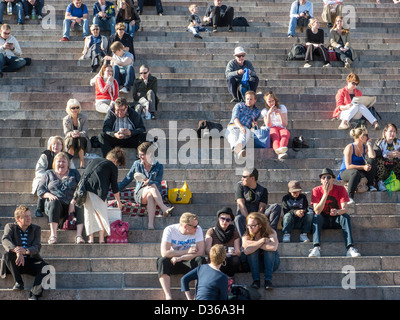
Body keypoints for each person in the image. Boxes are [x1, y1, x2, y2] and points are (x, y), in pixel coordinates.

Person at [118, 141, 174, 230]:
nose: (140, 157)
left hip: (153, 192)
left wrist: (149, 181)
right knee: (152, 187)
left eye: (142, 154)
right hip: (140, 193)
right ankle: (164, 208)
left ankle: (150, 225)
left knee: (150, 194)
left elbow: (158, 182)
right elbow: (128, 178)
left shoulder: (158, 166)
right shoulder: (137, 164)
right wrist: (116, 189)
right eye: (139, 154)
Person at [308, 168, 361, 257]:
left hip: (336, 218)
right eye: (323, 177)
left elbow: (345, 209)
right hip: (323, 219)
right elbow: (317, 211)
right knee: (316, 217)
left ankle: (350, 248)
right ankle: (316, 247)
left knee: (345, 217)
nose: (326, 180)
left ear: (333, 179)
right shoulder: (316, 190)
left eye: (328, 177)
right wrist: (325, 193)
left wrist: (337, 212)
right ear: (321, 180)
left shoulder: (341, 189)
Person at [1, 205, 49, 300]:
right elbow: (5, 240)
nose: (29, 218)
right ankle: (18, 282)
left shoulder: (36, 229)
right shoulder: (10, 227)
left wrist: (26, 251)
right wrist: (17, 251)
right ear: (18, 218)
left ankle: (34, 295)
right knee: (7, 255)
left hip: (29, 261)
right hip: (15, 264)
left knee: (46, 268)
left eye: (29, 215)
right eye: (26, 216)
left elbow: (37, 246)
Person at [37, 152, 85, 244]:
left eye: (64, 161)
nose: (61, 164)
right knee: (54, 201)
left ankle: (79, 236)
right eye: (59, 161)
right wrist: (49, 195)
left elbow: (81, 187)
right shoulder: (48, 173)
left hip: (71, 204)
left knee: (79, 204)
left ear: (68, 164)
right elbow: (40, 190)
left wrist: (73, 201)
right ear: (55, 163)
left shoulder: (74, 173)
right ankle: (53, 235)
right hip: (55, 205)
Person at [156, 212, 206, 300]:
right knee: (162, 261)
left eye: (197, 225)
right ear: (185, 226)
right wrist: (187, 251)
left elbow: (200, 252)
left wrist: (180, 257)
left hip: (188, 261)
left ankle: (197, 295)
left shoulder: (198, 230)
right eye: (194, 226)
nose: (196, 228)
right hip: (174, 262)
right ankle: (168, 296)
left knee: (201, 260)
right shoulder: (170, 230)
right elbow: (164, 253)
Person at [82, 147, 126, 244]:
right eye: (118, 164)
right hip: (99, 191)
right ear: (115, 160)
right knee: (102, 214)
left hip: (87, 190)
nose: (117, 166)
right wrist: (118, 202)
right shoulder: (112, 166)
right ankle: (101, 239)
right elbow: (114, 186)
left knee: (89, 214)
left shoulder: (94, 161)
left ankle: (91, 239)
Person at [32, 136, 72, 218]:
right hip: (46, 178)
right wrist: (47, 177)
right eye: (53, 144)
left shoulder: (66, 156)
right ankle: (39, 208)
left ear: (62, 146)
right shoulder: (45, 155)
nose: (55, 146)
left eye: (58, 144)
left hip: (61, 178)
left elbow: (72, 170)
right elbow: (39, 169)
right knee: (43, 184)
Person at [235, 167, 282, 237]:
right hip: (244, 216)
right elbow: (241, 204)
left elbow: (261, 208)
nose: (242, 178)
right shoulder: (240, 186)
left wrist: (255, 221)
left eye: (244, 177)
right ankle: (243, 242)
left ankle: (271, 235)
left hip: (258, 217)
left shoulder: (263, 190)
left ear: (252, 178)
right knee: (238, 218)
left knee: (276, 207)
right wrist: (249, 222)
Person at [337, 126, 377, 203]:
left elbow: (372, 156)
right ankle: (350, 197)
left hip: (359, 171)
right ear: (360, 137)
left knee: (371, 161)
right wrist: (363, 167)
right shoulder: (350, 147)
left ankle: (370, 185)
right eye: (366, 135)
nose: (368, 137)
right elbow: (348, 166)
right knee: (355, 173)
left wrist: (369, 144)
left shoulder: (365, 147)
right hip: (346, 171)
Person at [242, 212, 280, 290]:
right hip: (254, 265)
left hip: (271, 264)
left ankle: (268, 281)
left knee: (268, 251)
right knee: (252, 251)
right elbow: (246, 251)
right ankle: (256, 281)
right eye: (248, 225)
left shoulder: (271, 232)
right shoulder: (246, 235)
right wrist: (262, 241)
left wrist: (253, 244)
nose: (250, 228)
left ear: (260, 226)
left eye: (253, 226)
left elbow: (273, 247)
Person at [205, 207, 241, 279]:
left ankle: (228, 278)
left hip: (229, 258)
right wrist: (218, 253)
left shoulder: (234, 233)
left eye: (228, 220)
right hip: (216, 258)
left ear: (230, 221)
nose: (225, 222)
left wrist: (235, 252)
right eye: (222, 219)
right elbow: (207, 250)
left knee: (236, 259)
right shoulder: (211, 231)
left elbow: (239, 252)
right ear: (219, 219)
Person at [225, 90, 260, 159]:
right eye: (247, 99)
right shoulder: (239, 105)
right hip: (234, 126)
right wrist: (240, 127)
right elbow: (235, 118)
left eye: (251, 99)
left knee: (244, 135)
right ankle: (238, 151)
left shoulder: (257, 111)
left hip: (246, 128)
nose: (249, 101)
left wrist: (254, 125)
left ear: (255, 100)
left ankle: (237, 150)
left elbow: (253, 123)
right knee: (233, 136)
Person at [261, 91, 290, 160]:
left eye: (272, 101)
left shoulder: (282, 108)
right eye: (269, 101)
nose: (271, 103)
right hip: (272, 128)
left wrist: (280, 114)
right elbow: (268, 125)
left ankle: (281, 152)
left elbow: (285, 124)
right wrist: (268, 114)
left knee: (285, 134)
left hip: (281, 127)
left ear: (275, 100)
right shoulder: (264, 111)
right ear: (266, 102)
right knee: (275, 137)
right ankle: (280, 153)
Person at [63, 98, 91, 169]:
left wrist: (79, 134)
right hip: (71, 138)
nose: (76, 109)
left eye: (77, 107)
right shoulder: (66, 119)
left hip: (82, 138)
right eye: (73, 108)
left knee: (80, 140)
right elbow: (66, 132)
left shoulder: (84, 117)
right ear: (69, 109)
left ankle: (82, 162)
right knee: (71, 140)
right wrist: (72, 134)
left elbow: (85, 131)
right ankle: (69, 162)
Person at [374, 123, 400, 191]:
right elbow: (375, 154)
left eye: (394, 131)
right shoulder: (379, 142)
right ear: (385, 132)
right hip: (383, 169)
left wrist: (399, 154)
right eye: (390, 131)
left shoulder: (398, 142)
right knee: (378, 160)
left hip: (395, 168)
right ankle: (380, 182)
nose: (392, 133)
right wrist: (387, 154)